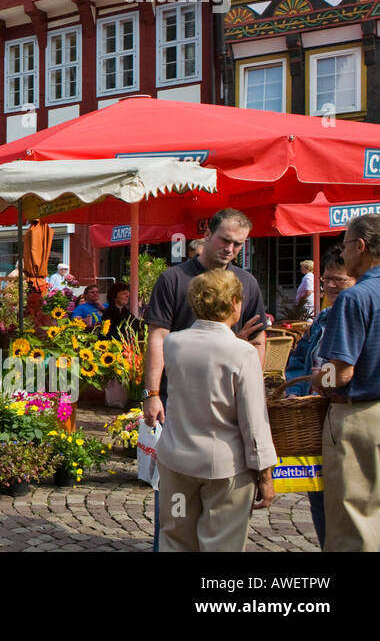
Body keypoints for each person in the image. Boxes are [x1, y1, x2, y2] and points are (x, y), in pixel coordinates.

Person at [143, 208, 268, 551]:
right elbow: (157, 337)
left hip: (226, 402)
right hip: (178, 398)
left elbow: (258, 340)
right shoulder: (175, 279)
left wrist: (246, 379)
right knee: (176, 517)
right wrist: (151, 392)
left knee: (179, 518)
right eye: (225, 240)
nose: (231, 249)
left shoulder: (247, 282)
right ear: (207, 235)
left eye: (238, 244)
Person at [313, 214, 380, 552]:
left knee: (352, 520)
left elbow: (340, 374)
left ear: (361, 246)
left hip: (359, 418)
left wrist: (315, 378)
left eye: (344, 247)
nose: (343, 255)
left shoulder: (356, 298)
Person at [283, 247, 353, 548]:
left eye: (339, 279)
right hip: (313, 421)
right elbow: (298, 362)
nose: (330, 285)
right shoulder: (323, 318)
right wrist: (298, 396)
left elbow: (343, 372)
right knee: (319, 496)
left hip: (344, 415)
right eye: (326, 280)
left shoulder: (358, 314)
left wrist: (319, 379)